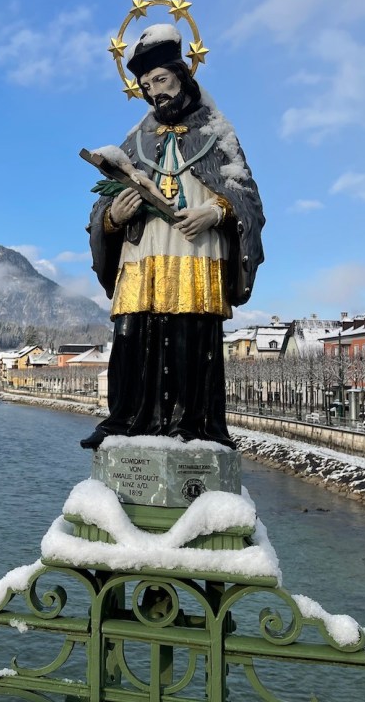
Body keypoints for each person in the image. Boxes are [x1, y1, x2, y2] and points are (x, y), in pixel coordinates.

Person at [80, 23, 265, 449]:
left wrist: (216, 212)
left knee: (189, 336)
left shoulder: (217, 132)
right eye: (146, 86)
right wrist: (112, 216)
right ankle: (124, 419)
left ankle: (192, 425)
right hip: (141, 255)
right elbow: (100, 205)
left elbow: (247, 197)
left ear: (183, 74)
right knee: (130, 335)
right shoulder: (136, 138)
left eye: (161, 80)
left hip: (196, 250)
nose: (154, 92)